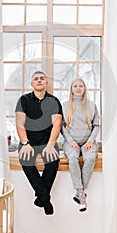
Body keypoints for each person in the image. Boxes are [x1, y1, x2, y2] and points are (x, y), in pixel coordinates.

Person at [15, 71, 63, 215]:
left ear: (46, 82)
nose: (39, 80)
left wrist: (50, 145)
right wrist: (25, 143)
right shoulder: (23, 100)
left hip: (48, 140)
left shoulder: (54, 101)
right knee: (26, 160)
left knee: (53, 161)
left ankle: (41, 198)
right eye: (36, 79)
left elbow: (57, 123)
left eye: (42, 78)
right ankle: (45, 199)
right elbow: (20, 123)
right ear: (32, 84)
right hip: (28, 140)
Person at [62, 78, 99, 211]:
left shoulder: (91, 105)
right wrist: (71, 141)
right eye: (75, 86)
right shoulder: (65, 106)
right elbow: (62, 127)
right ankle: (82, 195)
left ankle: (80, 192)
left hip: (88, 141)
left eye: (81, 86)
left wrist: (90, 141)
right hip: (71, 141)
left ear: (84, 89)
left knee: (89, 159)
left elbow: (96, 126)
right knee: (72, 158)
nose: (78, 88)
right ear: (71, 89)